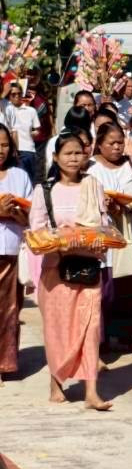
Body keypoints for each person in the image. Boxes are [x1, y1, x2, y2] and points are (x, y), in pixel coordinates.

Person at [31, 133, 113, 411]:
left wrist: (94, 236)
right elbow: (37, 230)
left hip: (88, 267)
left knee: (89, 329)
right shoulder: (45, 191)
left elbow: (104, 222)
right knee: (58, 329)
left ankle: (91, 391)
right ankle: (56, 383)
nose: (74, 158)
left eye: (78, 153)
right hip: (56, 271)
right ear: (55, 158)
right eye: (68, 154)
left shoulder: (93, 185)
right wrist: (63, 240)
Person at [87, 121, 132, 353]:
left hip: (126, 233)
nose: (117, 147)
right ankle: (100, 337)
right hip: (101, 234)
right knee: (104, 287)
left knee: (127, 285)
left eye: (120, 142)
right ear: (99, 144)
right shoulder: (90, 167)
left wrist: (128, 205)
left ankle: (125, 334)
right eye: (111, 143)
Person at [0, 124, 31, 387]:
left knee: (10, 310)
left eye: (4, 145)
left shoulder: (20, 176)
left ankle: (6, 362)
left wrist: (13, 213)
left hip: (11, 251)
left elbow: (31, 215)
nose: (0, 150)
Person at [5, 85, 39, 181]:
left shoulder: (31, 111)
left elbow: (37, 130)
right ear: (9, 96)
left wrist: (31, 134)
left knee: (30, 181)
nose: (17, 96)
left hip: (29, 150)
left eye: (19, 93)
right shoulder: (6, 109)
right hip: (13, 152)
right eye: (13, 94)